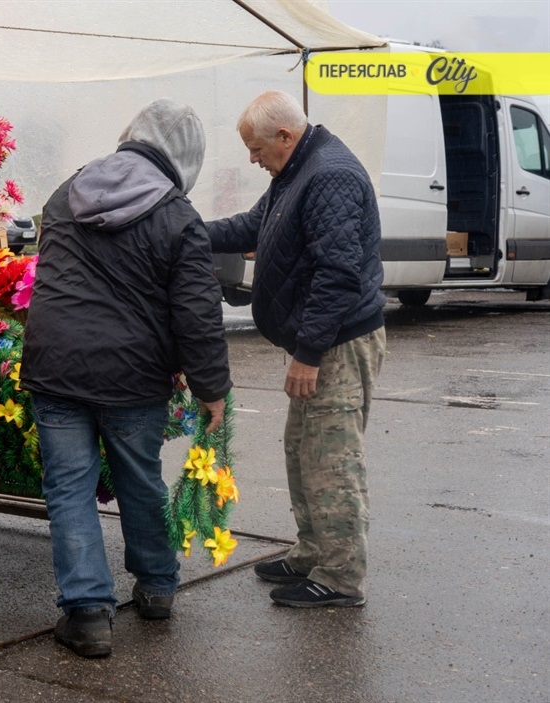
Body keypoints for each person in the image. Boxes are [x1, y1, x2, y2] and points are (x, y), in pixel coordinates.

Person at [22, 98, 232, 658]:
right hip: (133, 376)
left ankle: (88, 614)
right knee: (140, 479)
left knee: (69, 487)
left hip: (56, 365)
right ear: (186, 156)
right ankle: (157, 587)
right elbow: (197, 314)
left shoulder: (67, 192)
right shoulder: (177, 215)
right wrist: (212, 389)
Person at [207, 90, 387, 608]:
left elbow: (338, 272)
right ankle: (312, 552)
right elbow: (253, 227)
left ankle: (341, 577)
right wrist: (184, 231)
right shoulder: (297, 170)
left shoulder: (329, 175)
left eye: (256, 148)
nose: (252, 158)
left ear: (285, 136)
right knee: (302, 451)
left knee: (332, 461)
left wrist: (308, 354)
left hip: (337, 345)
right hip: (321, 340)